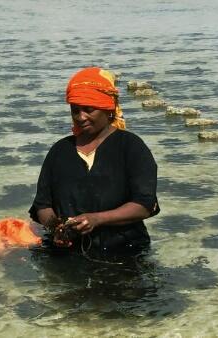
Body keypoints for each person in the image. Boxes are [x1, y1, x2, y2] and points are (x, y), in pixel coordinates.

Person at [29, 67, 159, 257]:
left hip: (125, 250)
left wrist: (97, 219)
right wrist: (57, 227)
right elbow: (42, 205)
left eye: (89, 109)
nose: (81, 117)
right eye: (75, 110)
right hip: (67, 253)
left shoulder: (131, 147)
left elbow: (144, 205)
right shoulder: (60, 151)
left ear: (108, 109)